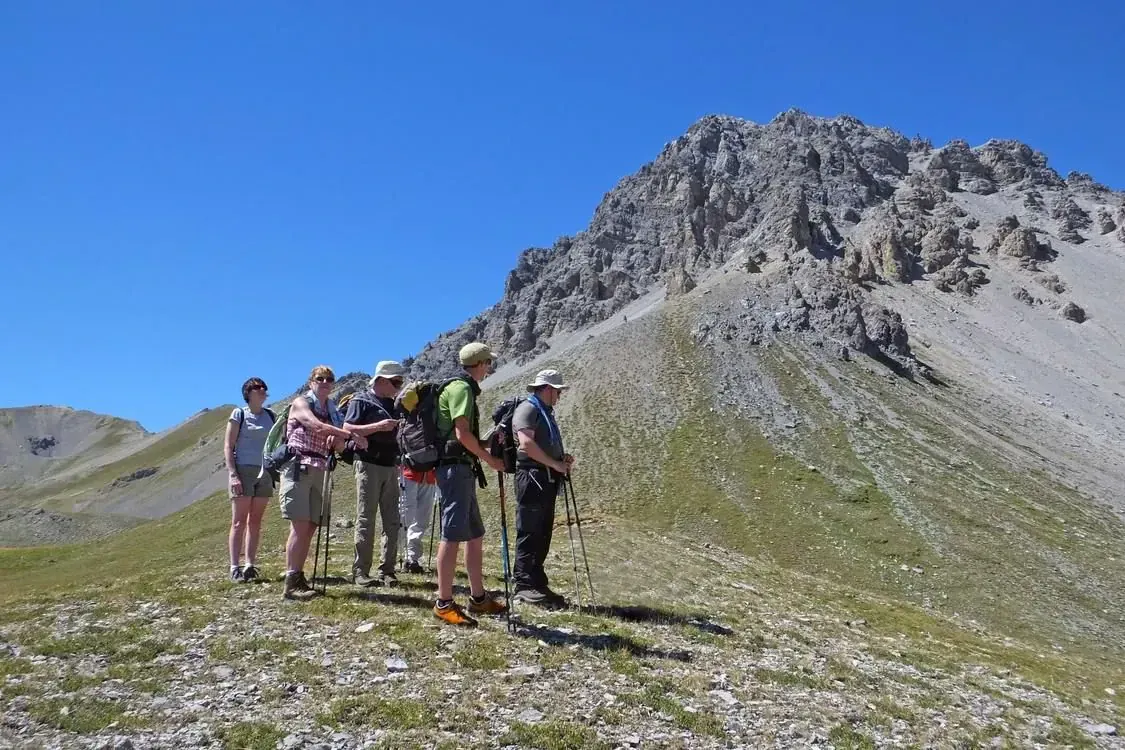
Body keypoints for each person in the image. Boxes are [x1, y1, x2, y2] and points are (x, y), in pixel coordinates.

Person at [432, 342, 508, 626]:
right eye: (488, 363)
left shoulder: (458, 388)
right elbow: (462, 434)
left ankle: (478, 598)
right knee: (451, 535)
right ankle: (444, 603)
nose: (489, 368)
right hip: (455, 470)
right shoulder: (462, 389)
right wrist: (490, 459)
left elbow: (465, 437)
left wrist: (488, 442)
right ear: (480, 363)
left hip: (461, 468)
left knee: (474, 534)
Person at [279, 365, 368, 601]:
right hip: (299, 465)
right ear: (311, 382)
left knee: (310, 525)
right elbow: (314, 425)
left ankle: (298, 577)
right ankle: (291, 581)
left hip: (320, 467)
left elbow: (338, 442)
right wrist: (348, 436)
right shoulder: (301, 403)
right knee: (300, 525)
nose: (325, 382)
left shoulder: (331, 409)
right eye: (320, 378)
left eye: (329, 379)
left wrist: (343, 440)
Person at [511, 369, 574, 606]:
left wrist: (560, 459)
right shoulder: (528, 409)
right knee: (530, 531)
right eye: (557, 391)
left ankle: (537, 582)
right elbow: (526, 444)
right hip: (533, 477)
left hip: (544, 477)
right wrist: (555, 464)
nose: (559, 395)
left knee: (543, 531)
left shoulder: (543, 410)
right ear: (547, 389)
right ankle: (524, 584)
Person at [343, 360, 406, 588]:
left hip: (391, 465)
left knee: (392, 520)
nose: (398, 386)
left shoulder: (395, 404)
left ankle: (387, 571)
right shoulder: (361, 400)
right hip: (368, 464)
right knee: (366, 518)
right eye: (395, 381)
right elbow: (348, 428)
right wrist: (378, 427)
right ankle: (361, 571)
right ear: (380, 380)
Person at [223, 377, 276, 583]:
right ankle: (234, 566)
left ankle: (250, 565)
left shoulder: (271, 416)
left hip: (264, 472)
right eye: (257, 388)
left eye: (264, 387)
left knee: (255, 521)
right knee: (238, 522)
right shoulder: (239, 414)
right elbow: (228, 445)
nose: (262, 390)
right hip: (243, 470)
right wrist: (233, 474)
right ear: (248, 393)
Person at [399, 458, 438, 575]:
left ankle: (412, 558)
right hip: (408, 472)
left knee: (422, 520)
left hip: (429, 475)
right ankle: (395, 556)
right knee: (405, 516)